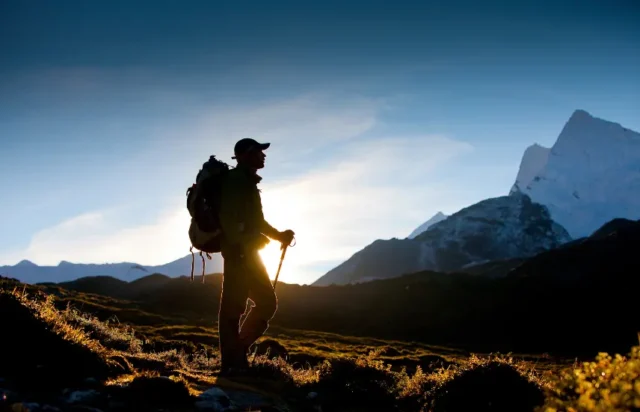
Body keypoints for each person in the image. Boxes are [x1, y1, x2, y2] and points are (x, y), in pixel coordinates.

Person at [216, 137, 295, 376]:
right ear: (246, 154)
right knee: (249, 305)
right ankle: (234, 358)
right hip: (241, 253)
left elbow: (256, 221)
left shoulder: (246, 181)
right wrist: (240, 246)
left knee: (234, 307)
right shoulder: (237, 181)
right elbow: (229, 217)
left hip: (243, 252)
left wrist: (278, 235)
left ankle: (234, 359)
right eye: (259, 152)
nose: (264, 156)